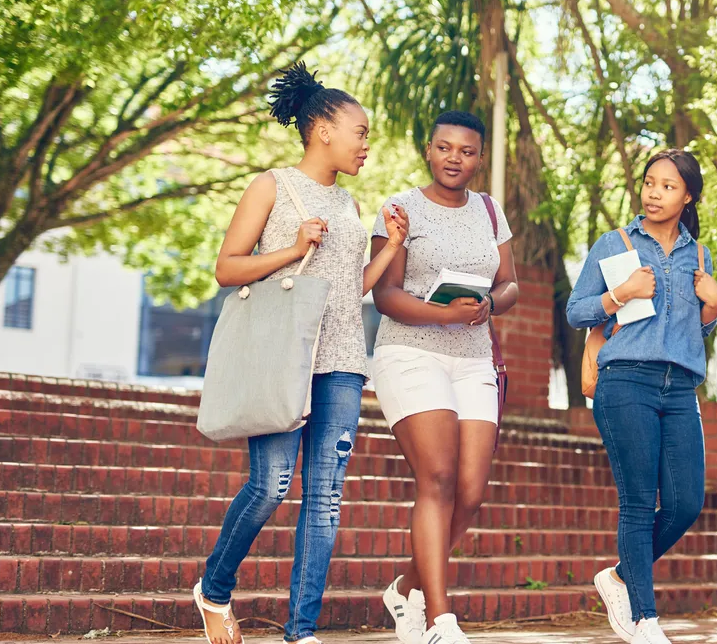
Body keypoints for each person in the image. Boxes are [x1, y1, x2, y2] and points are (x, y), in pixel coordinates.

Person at [193, 62, 408, 644]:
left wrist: (393, 248)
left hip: (341, 359)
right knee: (270, 484)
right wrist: (290, 249)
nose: (367, 144)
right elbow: (226, 268)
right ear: (322, 128)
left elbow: (347, 291)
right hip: (284, 354)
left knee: (327, 497)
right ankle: (214, 588)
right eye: (359, 131)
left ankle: (301, 631)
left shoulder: (349, 206)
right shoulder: (271, 185)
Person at [370, 110, 519, 644]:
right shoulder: (400, 209)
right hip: (410, 352)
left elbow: (509, 284)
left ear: (479, 158)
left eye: (467, 151)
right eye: (445, 147)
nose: (455, 158)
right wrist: (446, 314)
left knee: (472, 492)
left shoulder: (489, 210)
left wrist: (487, 307)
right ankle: (439, 619)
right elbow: (385, 295)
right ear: (428, 150)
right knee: (437, 477)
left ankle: (405, 588)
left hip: (473, 355)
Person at [566, 149, 717, 644]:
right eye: (649, 182)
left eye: (668, 186)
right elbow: (576, 311)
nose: (654, 193)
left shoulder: (699, 255)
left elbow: (696, 330)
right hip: (626, 381)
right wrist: (620, 294)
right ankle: (644, 619)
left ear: (689, 196)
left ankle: (617, 576)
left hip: (680, 387)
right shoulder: (613, 245)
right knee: (638, 502)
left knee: (686, 502)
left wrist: (713, 306)